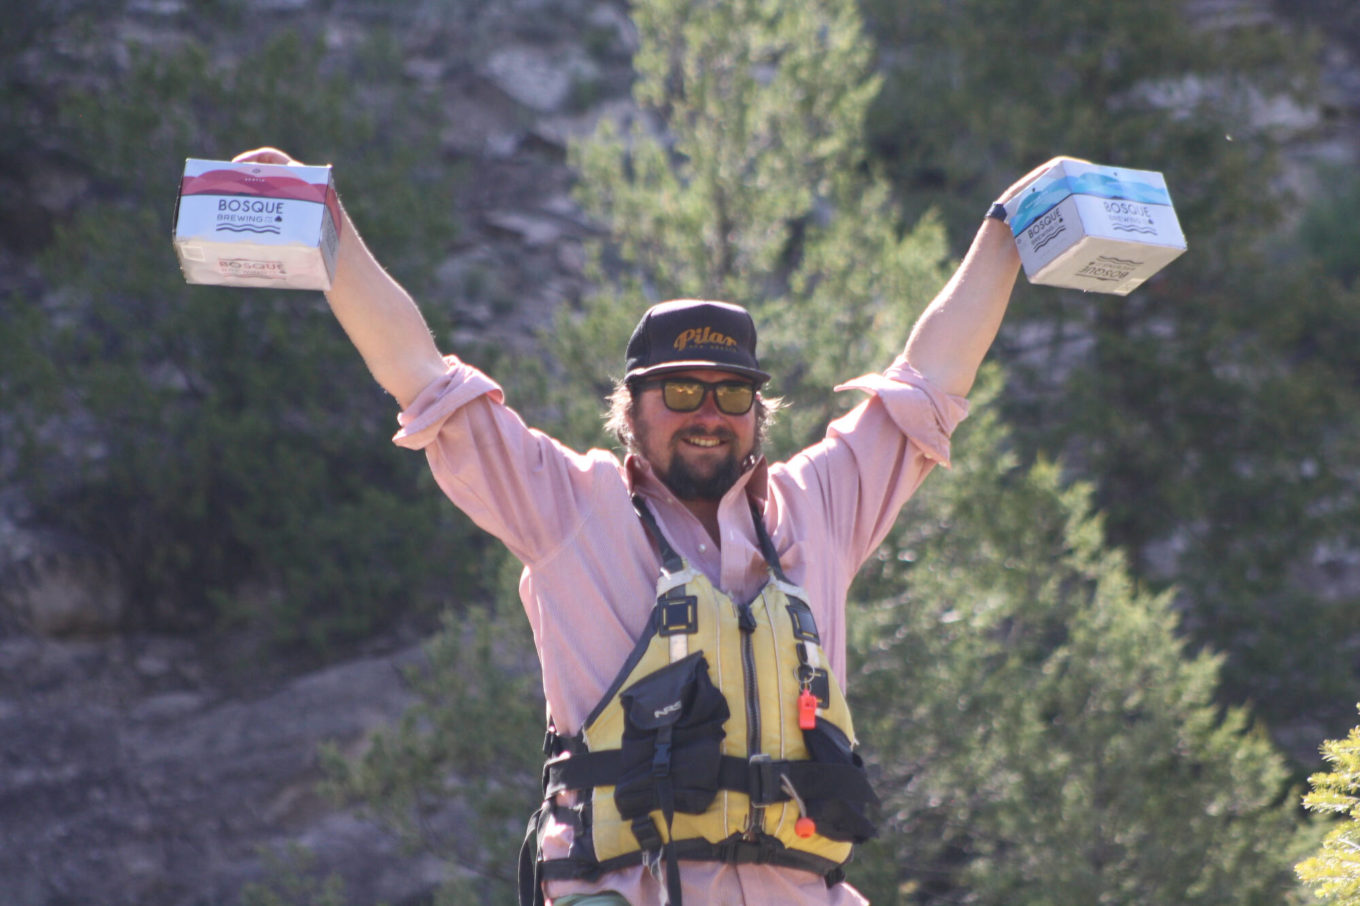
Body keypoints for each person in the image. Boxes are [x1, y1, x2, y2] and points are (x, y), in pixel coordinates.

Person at [232, 146, 1068, 906]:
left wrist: (1003, 235)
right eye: (679, 392)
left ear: (758, 413)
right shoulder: (567, 506)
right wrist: (326, 230)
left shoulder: (820, 508)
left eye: (732, 393)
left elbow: (928, 383)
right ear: (629, 411)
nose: (708, 414)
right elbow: (421, 376)